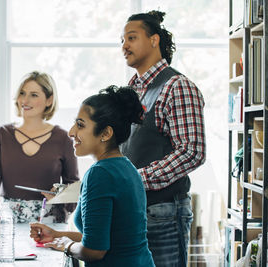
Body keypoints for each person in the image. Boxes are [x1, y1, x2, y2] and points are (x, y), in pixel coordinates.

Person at [30, 86, 155, 267]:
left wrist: (67, 245)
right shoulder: (127, 168)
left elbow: (95, 251)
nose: (71, 132)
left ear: (105, 133)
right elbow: (102, 237)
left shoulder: (100, 173)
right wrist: (57, 236)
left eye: (80, 125)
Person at [120, 10, 206, 266]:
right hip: (134, 209)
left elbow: (192, 151)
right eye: (122, 40)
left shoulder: (177, 86)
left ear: (154, 40)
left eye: (131, 38)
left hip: (163, 213)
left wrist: (136, 179)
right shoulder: (131, 90)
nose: (124, 46)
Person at [0, 71, 79, 224]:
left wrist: (61, 196)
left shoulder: (63, 138)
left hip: (50, 222)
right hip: (9, 220)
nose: (25, 100)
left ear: (49, 100)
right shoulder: (2, 134)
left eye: (34, 95)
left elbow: (73, 185)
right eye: (22, 93)